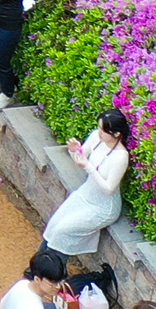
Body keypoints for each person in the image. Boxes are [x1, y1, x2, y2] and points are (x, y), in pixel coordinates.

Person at [43, 110, 131, 257]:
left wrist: (88, 166)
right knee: (54, 224)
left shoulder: (120, 156)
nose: (99, 132)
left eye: (104, 130)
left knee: (63, 230)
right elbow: (81, 157)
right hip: (86, 194)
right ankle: (38, 266)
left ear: (116, 134)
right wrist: (75, 151)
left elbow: (109, 188)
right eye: (99, 127)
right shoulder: (97, 137)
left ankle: (52, 272)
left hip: (103, 207)